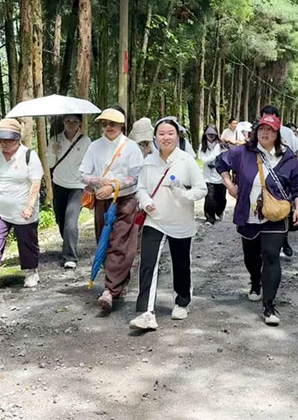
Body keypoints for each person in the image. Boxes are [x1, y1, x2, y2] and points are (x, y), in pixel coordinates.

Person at [216, 113, 298, 325]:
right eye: (262, 129)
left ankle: (269, 305)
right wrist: (230, 186)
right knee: (251, 257)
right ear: (256, 131)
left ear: (277, 134)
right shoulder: (243, 152)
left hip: (276, 215)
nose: (266, 133)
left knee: (271, 255)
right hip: (248, 215)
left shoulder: (287, 157)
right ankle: (255, 280)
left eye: (271, 130)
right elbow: (220, 162)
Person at [129, 117, 207, 330]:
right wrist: (146, 202)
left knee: (180, 262)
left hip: (181, 221)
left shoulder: (186, 160)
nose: (166, 137)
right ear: (155, 137)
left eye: (170, 133)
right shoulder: (149, 161)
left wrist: (184, 194)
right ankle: (147, 312)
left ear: (177, 136)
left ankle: (182, 301)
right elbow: (141, 188)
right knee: (148, 263)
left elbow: (202, 189)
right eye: (161, 134)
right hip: (155, 220)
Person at [80, 106, 144, 311]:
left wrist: (114, 186)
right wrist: (98, 182)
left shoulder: (131, 147)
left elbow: (135, 176)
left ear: (122, 125)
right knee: (104, 240)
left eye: (113, 124)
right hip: (102, 200)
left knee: (121, 242)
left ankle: (110, 289)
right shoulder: (94, 146)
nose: (109, 127)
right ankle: (118, 281)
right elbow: (83, 173)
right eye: (105, 124)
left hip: (125, 200)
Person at [0, 118, 44, 299]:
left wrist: (29, 206)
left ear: (18, 139)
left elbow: (36, 183)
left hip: (23, 210)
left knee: (27, 242)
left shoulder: (29, 155)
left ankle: (31, 271)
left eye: (9, 139)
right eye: (1, 139)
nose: (5, 143)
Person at [46, 114, 92, 269]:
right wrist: (53, 151)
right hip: (58, 183)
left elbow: (89, 163)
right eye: (67, 121)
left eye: (74, 121)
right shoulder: (55, 139)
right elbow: (50, 163)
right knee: (61, 220)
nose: (71, 124)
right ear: (63, 123)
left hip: (77, 186)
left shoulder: (86, 141)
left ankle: (70, 256)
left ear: (79, 123)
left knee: (70, 223)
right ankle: (68, 244)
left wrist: (88, 183)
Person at [262, 105, 298, 257]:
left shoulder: (287, 132)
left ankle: (283, 240)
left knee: (284, 209)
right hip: (264, 177)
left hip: (286, 177)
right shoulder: (258, 132)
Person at [198, 125, 227, 225]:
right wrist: (209, 161)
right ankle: (209, 218)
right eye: (208, 134)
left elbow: (222, 157)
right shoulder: (202, 146)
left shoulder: (220, 145)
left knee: (220, 198)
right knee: (210, 197)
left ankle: (219, 212)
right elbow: (201, 158)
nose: (210, 137)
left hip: (220, 176)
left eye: (212, 134)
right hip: (208, 176)